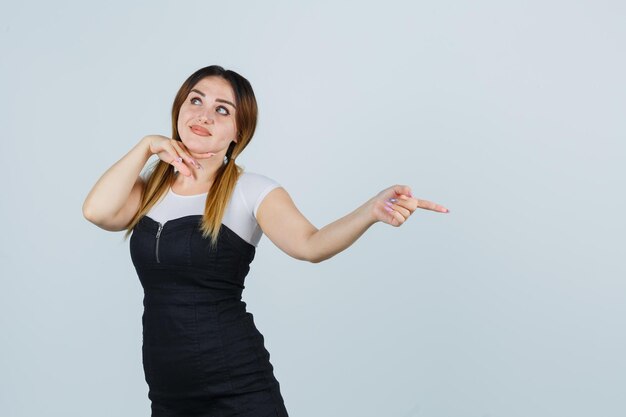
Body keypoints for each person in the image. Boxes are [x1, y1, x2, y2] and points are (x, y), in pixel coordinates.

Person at [82, 65, 449, 417]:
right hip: (168, 395)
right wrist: (146, 146)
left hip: (237, 389)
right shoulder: (149, 189)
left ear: (238, 132)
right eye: (195, 101)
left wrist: (371, 211)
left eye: (221, 110)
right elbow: (96, 212)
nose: (204, 115)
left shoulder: (250, 191)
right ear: (179, 108)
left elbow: (310, 244)